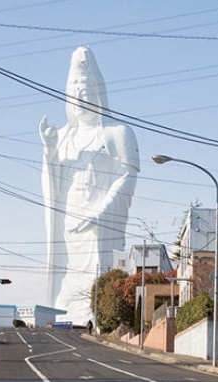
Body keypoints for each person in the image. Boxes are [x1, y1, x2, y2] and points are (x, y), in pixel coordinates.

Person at [40, 47, 140, 326]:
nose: (81, 98)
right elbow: (53, 187)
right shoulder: (61, 137)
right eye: (74, 91)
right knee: (70, 270)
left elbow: (128, 176)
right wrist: (49, 151)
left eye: (86, 90)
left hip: (100, 221)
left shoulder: (117, 132)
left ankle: (98, 313)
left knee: (99, 268)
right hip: (70, 220)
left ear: (98, 91)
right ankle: (65, 311)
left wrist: (103, 213)